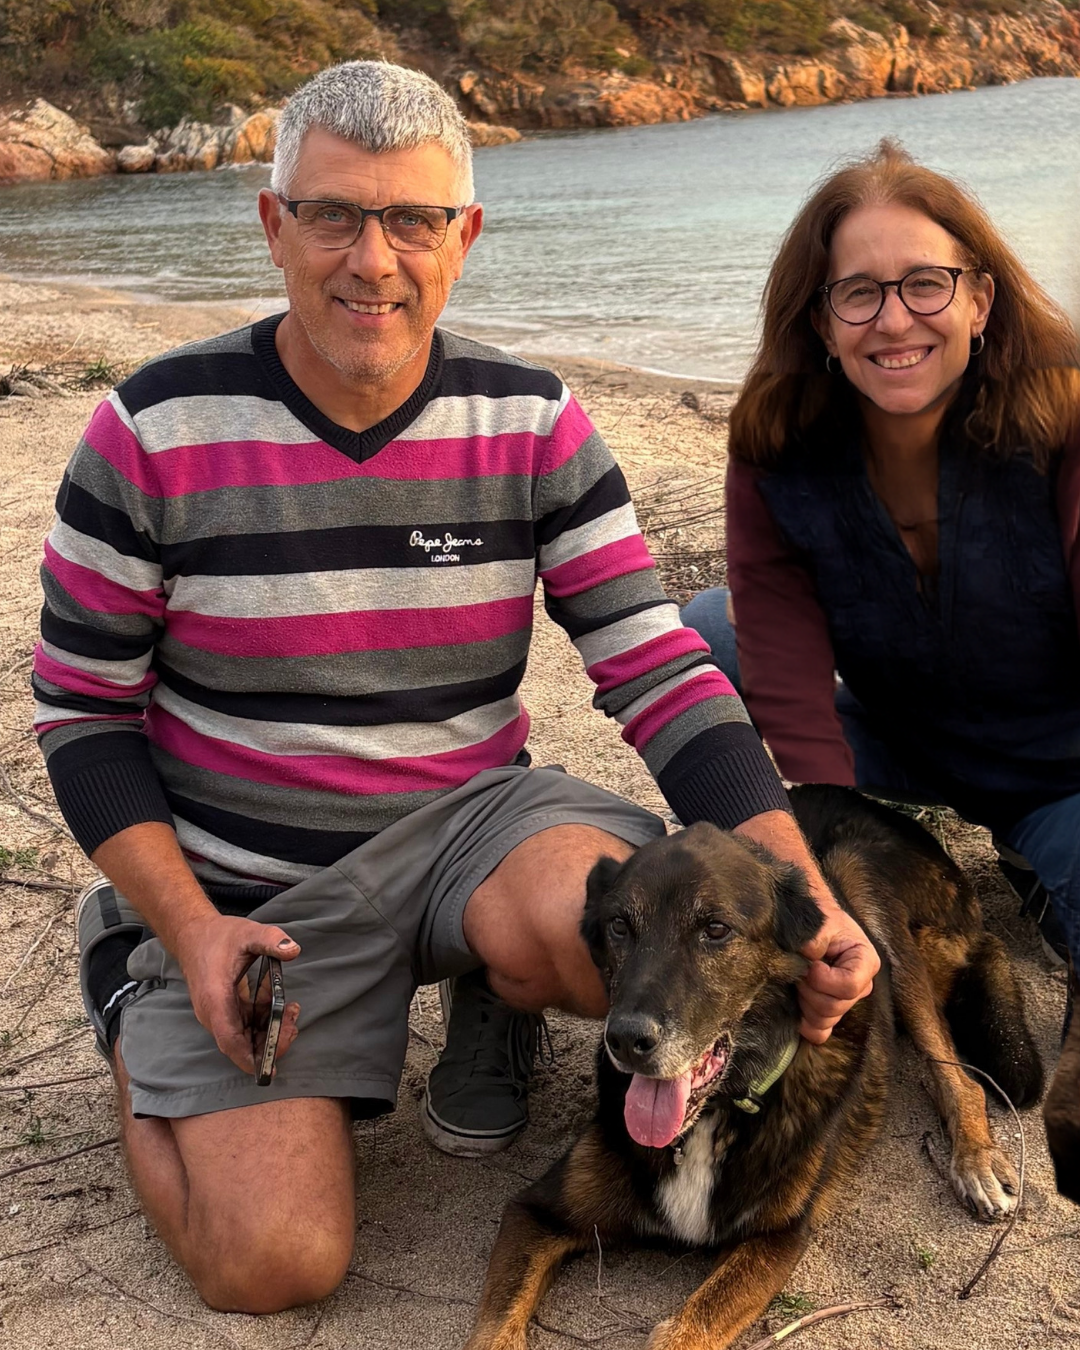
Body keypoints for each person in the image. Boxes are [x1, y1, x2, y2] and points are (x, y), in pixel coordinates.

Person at [34, 62, 877, 1313]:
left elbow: (657, 668)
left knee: (657, 928)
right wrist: (194, 927)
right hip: (256, 884)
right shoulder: (150, 431)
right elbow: (83, 714)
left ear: (464, 237)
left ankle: (497, 992)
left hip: (473, 830)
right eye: (333, 213)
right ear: (273, 225)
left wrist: (800, 885)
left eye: (413, 220)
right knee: (271, 1263)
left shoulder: (533, 422)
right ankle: (132, 978)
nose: (373, 259)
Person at [683, 140, 1080, 994]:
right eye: (859, 293)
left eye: (925, 283)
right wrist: (812, 852)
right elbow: (783, 663)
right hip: (908, 733)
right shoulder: (782, 446)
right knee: (706, 633)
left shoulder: (1064, 418)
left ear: (980, 300)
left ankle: (1035, 854)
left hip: (1062, 765)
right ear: (822, 323)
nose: (894, 321)